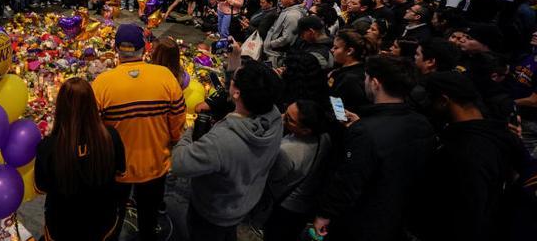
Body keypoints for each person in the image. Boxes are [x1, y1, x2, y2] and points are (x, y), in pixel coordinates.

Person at [313, 56, 435, 241]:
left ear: (375, 83)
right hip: (396, 213)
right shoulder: (422, 122)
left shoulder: (365, 133)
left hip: (361, 218)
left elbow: (349, 179)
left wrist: (325, 214)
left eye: (366, 78)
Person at [91, 24, 186, 241]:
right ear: (144, 49)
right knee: (149, 218)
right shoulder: (165, 77)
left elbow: (95, 131)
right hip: (156, 165)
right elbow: (178, 122)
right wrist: (170, 141)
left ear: (116, 49)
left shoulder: (102, 84)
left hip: (117, 169)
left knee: (113, 219)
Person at [171, 60, 283, 241]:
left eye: (232, 80)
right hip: (241, 202)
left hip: (212, 212)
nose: (228, 81)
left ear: (237, 92)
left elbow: (179, 163)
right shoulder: (274, 118)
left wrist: (191, 131)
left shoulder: (221, 141)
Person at [413, 72, 524, 241]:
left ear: (443, 101)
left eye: (431, 100)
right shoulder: (502, 133)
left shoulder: (463, 150)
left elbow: (469, 214)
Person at [35, 78, 126, 241]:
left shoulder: (47, 147)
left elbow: (41, 188)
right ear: (92, 104)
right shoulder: (111, 136)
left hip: (62, 226)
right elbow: (121, 173)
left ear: (60, 107)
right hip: (103, 221)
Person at [262, 100, 332, 241]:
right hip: (306, 202)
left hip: (286, 208)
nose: (282, 118)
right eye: (285, 112)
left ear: (306, 130)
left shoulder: (288, 151)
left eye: (289, 119)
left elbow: (272, 178)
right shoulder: (324, 137)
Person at [327, 30, 372, 114]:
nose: (332, 50)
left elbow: (339, 112)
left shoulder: (348, 79)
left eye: (336, 47)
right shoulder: (362, 69)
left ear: (349, 51)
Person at [264, 0, 307, 67]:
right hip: (273, 50)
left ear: (292, 0)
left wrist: (269, 44)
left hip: (277, 54)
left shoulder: (293, 15)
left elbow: (287, 39)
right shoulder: (287, 9)